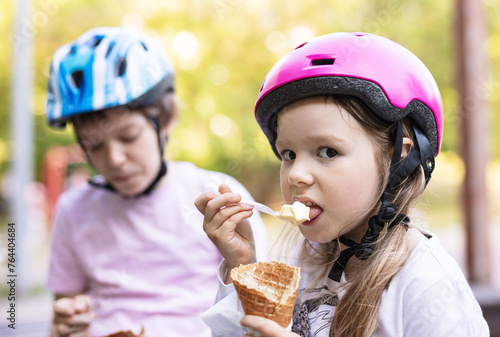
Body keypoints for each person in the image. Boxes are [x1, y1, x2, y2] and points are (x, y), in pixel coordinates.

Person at [195, 32, 490, 337]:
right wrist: (241, 267)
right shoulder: (299, 260)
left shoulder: (426, 283)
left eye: (328, 152)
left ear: (398, 158)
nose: (296, 174)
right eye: (289, 154)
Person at [44, 27, 267, 337]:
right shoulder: (73, 209)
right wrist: (64, 325)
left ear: (166, 119)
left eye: (128, 137)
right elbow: (65, 309)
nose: (115, 159)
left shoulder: (218, 196)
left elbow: (265, 305)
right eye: (94, 145)